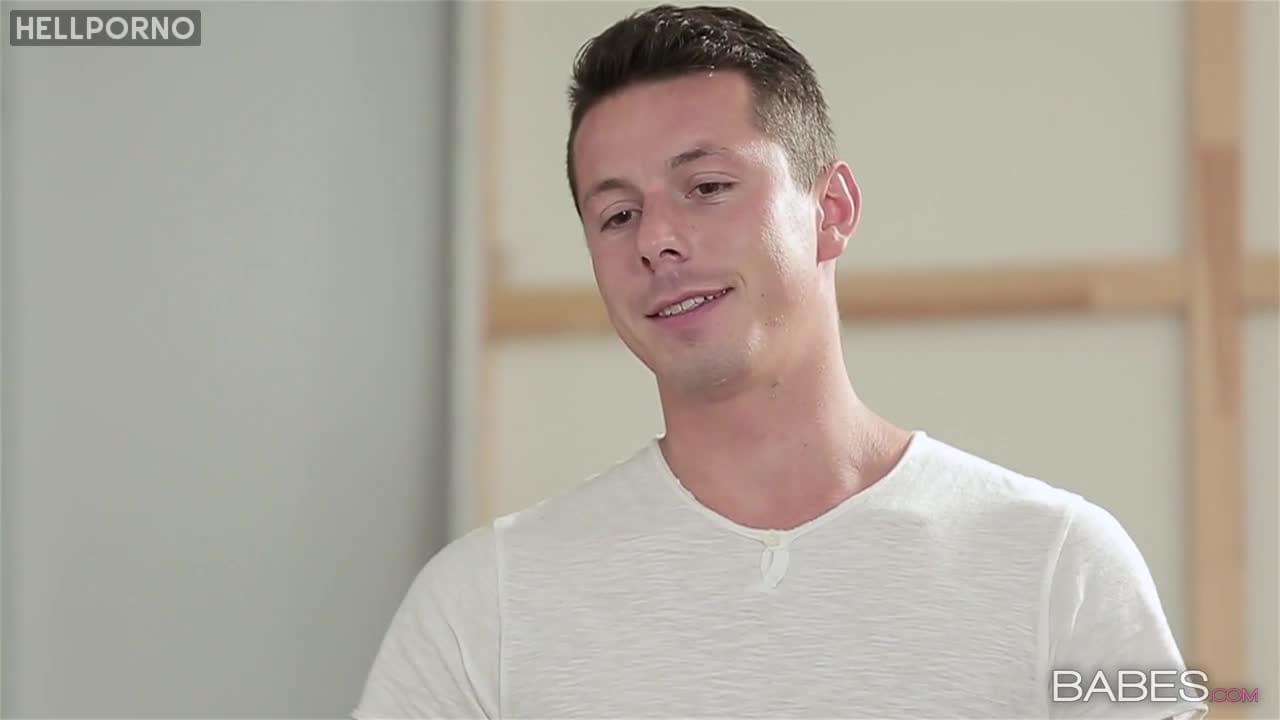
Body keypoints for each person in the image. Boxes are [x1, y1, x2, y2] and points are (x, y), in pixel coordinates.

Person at [353, 5, 1204, 719]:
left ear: (832, 209)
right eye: (617, 216)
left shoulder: (1056, 562)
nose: (657, 240)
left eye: (707, 188)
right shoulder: (486, 601)